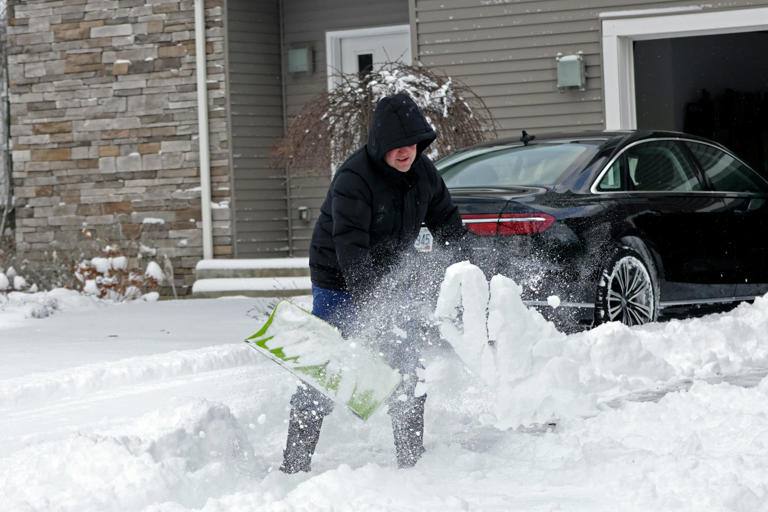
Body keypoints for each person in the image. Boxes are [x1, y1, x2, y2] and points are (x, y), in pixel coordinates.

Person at [280, 92, 466, 473]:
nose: (405, 152)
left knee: (405, 364)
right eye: (397, 145)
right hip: (338, 277)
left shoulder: (424, 174)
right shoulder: (354, 179)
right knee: (326, 365)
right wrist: (373, 308)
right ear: (381, 143)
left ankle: (411, 461)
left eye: (412, 143)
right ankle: (295, 463)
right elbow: (350, 250)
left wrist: (467, 270)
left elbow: (448, 223)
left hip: (390, 275)